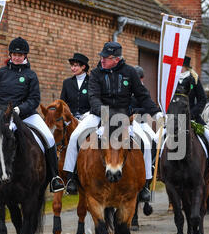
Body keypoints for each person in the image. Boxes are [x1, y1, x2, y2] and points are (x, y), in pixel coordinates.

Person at [63, 42, 163, 202]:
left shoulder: (130, 72)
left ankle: (144, 184)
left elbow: (142, 95)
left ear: (116, 59)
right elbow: (93, 97)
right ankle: (71, 178)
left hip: (124, 117)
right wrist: (105, 113)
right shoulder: (96, 73)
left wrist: (156, 112)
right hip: (99, 114)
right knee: (75, 136)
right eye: (101, 56)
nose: (102, 60)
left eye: (106, 57)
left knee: (144, 142)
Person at [0, 37, 64, 193]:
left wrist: (20, 109)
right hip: (2, 115)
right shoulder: (1, 73)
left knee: (49, 137)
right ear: (10, 54)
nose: (17, 57)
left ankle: (54, 178)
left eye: (20, 54)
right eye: (14, 54)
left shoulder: (31, 75)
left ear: (25, 56)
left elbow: (34, 99)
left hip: (26, 114)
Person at [180, 56, 209, 177]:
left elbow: (202, 100)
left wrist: (192, 114)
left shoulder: (193, 79)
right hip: (174, 118)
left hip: (193, 119)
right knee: (158, 137)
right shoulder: (170, 80)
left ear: (186, 68)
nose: (179, 69)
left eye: (181, 67)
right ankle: (155, 167)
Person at [60, 53, 91, 120]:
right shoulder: (67, 82)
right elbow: (62, 102)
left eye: (75, 66)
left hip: (87, 117)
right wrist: (68, 113)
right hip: (70, 118)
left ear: (83, 67)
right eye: (72, 66)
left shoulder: (92, 82)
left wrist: (89, 114)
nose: (72, 68)